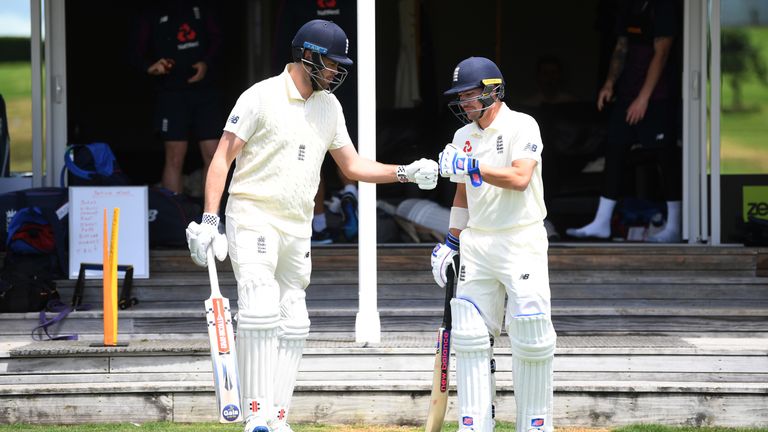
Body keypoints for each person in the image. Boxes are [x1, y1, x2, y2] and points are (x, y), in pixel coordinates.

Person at [185, 19, 439, 432]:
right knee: (260, 309)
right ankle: (256, 415)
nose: (336, 72)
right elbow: (221, 160)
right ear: (307, 56)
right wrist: (210, 219)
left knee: (295, 320)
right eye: (331, 64)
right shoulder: (260, 96)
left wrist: (407, 172)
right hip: (252, 215)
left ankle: (278, 417)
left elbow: (352, 167)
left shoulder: (329, 106)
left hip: (297, 225)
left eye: (340, 66)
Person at [432, 57, 556, 432]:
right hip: (478, 243)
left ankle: (533, 425)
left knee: (531, 332)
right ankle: (474, 424)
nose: (465, 103)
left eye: (470, 95)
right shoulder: (462, 137)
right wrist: (451, 241)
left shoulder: (522, 125)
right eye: (461, 97)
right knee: (469, 335)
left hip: (521, 239)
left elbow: (520, 178)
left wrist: (472, 166)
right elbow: (462, 196)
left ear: (492, 91)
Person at [566, 0, 682, 242]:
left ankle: (674, 226)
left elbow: (662, 52)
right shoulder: (627, 7)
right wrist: (609, 83)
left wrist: (643, 98)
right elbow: (621, 46)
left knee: (665, 156)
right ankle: (602, 222)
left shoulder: (664, 7)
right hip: (627, 94)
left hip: (658, 97)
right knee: (615, 149)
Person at [134, 0, 223, 195]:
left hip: (205, 91)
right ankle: (176, 218)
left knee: (213, 153)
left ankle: (210, 218)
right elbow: (136, 48)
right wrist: (150, 67)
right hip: (171, 93)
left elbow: (218, 39)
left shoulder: (204, 6)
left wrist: (206, 63)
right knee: (175, 156)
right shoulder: (152, 10)